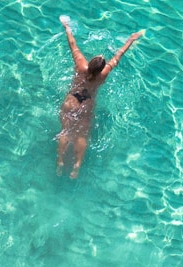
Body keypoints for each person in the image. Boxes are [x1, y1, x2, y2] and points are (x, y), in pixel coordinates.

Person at [57, 19, 143, 178]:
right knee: (81, 135)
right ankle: (77, 165)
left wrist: (67, 27)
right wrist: (131, 39)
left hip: (71, 101)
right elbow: (118, 56)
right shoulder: (103, 75)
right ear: (100, 69)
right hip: (87, 104)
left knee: (66, 131)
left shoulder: (81, 65)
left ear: (90, 64)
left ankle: (61, 161)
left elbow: (73, 45)